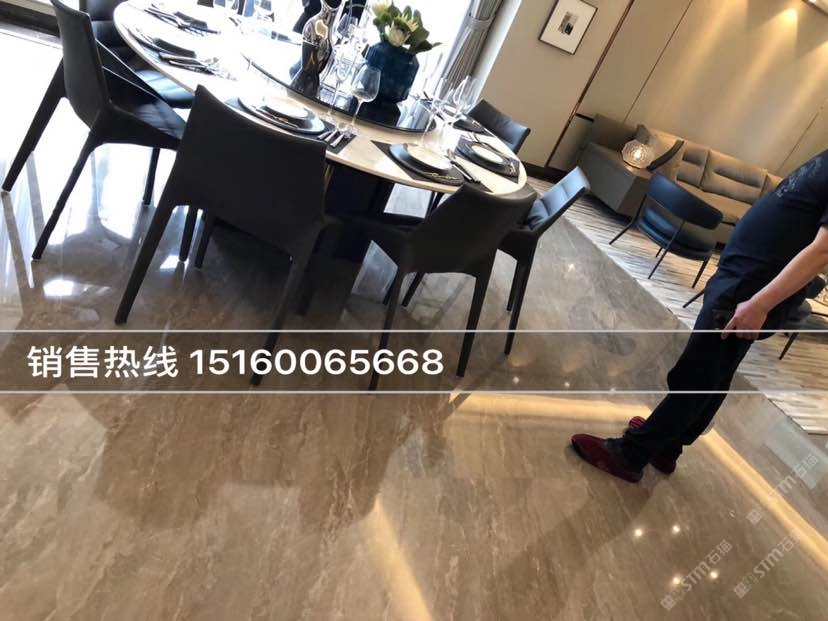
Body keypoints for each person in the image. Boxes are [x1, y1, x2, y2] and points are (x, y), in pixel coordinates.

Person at [571, 149, 828, 483]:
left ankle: (630, 455)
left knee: (697, 372)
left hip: (753, 285)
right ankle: (667, 446)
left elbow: (822, 250)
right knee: (715, 372)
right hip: (746, 274)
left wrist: (760, 304)